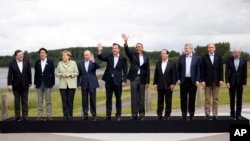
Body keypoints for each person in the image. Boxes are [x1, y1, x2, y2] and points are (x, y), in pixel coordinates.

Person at [122, 33, 150, 120]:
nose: (138, 48)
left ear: (142, 48)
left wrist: (147, 81)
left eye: (139, 46)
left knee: (141, 97)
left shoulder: (146, 57)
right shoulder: (133, 55)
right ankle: (134, 114)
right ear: (135, 48)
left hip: (142, 79)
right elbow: (127, 51)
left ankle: (142, 114)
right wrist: (126, 42)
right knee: (134, 97)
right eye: (137, 47)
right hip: (134, 78)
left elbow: (147, 69)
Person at [97, 43, 128, 121]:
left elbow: (125, 70)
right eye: (113, 48)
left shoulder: (123, 59)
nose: (114, 49)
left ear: (118, 49)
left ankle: (118, 115)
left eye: (115, 48)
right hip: (109, 81)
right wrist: (100, 51)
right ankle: (108, 115)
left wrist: (124, 80)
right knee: (108, 98)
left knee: (118, 99)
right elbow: (101, 57)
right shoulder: (109, 56)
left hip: (118, 81)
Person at [177, 43, 200, 120]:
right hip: (183, 81)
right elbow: (178, 70)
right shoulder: (181, 58)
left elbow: (198, 70)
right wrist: (178, 79)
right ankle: (184, 114)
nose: (185, 50)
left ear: (191, 49)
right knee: (183, 98)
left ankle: (191, 114)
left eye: (187, 48)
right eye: (185, 48)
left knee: (192, 98)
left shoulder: (197, 58)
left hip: (192, 81)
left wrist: (197, 80)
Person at [201, 43, 224, 120]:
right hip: (207, 81)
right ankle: (207, 114)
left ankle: (215, 114)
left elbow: (221, 69)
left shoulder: (218, 57)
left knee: (215, 98)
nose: (211, 48)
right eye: (209, 47)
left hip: (216, 80)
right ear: (208, 49)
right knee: (207, 99)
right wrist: (203, 80)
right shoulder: (204, 57)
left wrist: (221, 79)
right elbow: (202, 70)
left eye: (212, 47)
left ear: (215, 48)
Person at [7, 50, 32, 121]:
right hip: (15, 85)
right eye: (19, 55)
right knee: (17, 101)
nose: (21, 56)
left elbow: (29, 73)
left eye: (22, 54)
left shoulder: (27, 62)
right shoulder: (12, 63)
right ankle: (17, 115)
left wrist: (30, 82)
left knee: (25, 100)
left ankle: (25, 115)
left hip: (25, 84)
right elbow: (9, 75)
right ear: (16, 56)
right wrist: (9, 84)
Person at [153, 49, 176, 120]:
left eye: (163, 53)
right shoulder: (158, 63)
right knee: (160, 101)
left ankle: (167, 114)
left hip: (169, 85)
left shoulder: (172, 63)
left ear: (167, 54)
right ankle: (159, 114)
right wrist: (155, 83)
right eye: (161, 53)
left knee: (168, 101)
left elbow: (174, 75)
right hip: (160, 85)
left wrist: (173, 83)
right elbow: (156, 74)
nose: (162, 54)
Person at [55, 50, 78, 120]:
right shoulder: (59, 63)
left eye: (64, 55)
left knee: (70, 101)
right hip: (62, 85)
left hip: (71, 85)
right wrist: (61, 74)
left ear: (68, 56)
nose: (63, 57)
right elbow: (56, 73)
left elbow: (77, 73)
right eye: (62, 56)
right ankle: (65, 116)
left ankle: (70, 115)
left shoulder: (73, 63)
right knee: (64, 101)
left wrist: (70, 74)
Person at [77, 50, 100, 121]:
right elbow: (79, 75)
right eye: (85, 55)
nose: (86, 56)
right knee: (84, 100)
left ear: (90, 55)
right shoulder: (80, 64)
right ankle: (85, 114)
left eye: (87, 55)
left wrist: (93, 60)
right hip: (84, 84)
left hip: (92, 83)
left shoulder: (93, 62)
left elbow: (98, 66)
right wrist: (78, 84)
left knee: (93, 100)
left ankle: (94, 115)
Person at [225, 47, 247, 120]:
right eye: (233, 52)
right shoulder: (229, 60)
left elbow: (245, 73)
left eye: (235, 52)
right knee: (232, 98)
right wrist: (227, 82)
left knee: (239, 99)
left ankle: (238, 114)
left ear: (239, 53)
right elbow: (226, 72)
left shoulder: (243, 60)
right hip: (231, 82)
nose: (233, 53)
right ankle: (232, 114)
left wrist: (244, 83)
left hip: (240, 82)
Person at [34, 48, 55, 121]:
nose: (42, 54)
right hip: (39, 84)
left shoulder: (50, 62)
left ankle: (49, 115)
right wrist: (35, 83)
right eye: (41, 53)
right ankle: (40, 115)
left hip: (48, 83)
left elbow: (52, 73)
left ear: (46, 54)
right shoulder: (37, 62)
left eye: (43, 52)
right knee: (40, 100)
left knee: (48, 100)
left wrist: (53, 83)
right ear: (39, 54)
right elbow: (36, 74)